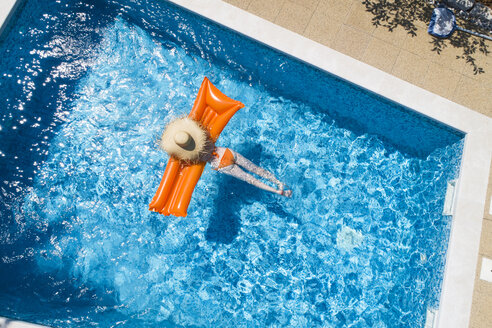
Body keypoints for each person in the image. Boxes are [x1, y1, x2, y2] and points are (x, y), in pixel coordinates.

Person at [160, 117, 292, 197]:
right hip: (225, 151)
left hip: (220, 164)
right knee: (255, 169)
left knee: (250, 179)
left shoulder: (190, 157)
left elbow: (187, 164)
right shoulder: (202, 133)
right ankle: (279, 183)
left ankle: (277, 191)